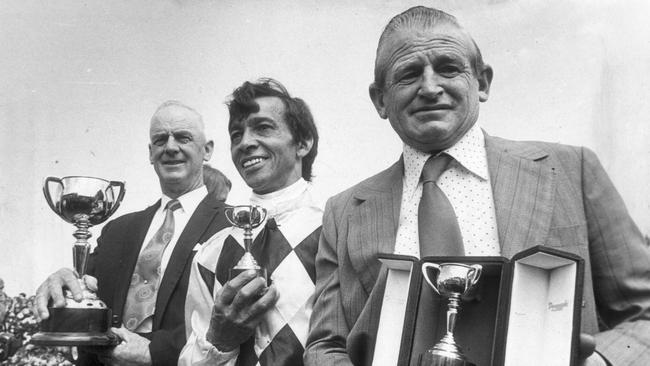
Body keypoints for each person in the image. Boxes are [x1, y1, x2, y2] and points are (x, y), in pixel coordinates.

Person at [305, 6, 650, 366]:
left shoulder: (571, 170)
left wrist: (600, 363)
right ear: (380, 100)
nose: (430, 87)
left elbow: (644, 315)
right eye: (408, 75)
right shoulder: (344, 212)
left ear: (482, 82)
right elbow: (325, 347)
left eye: (448, 68)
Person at [34, 101, 231, 366]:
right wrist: (63, 280)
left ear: (207, 151)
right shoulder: (117, 230)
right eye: (161, 140)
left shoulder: (233, 227)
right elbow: (84, 289)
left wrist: (157, 353)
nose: (171, 147)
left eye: (183, 137)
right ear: (151, 153)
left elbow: (235, 323)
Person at [179, 78, 321, 366]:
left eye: (263, 127)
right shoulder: (210, 253)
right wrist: (221, 339)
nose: (245, 143)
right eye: (236, 134)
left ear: (303, 143)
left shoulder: (336, 231)